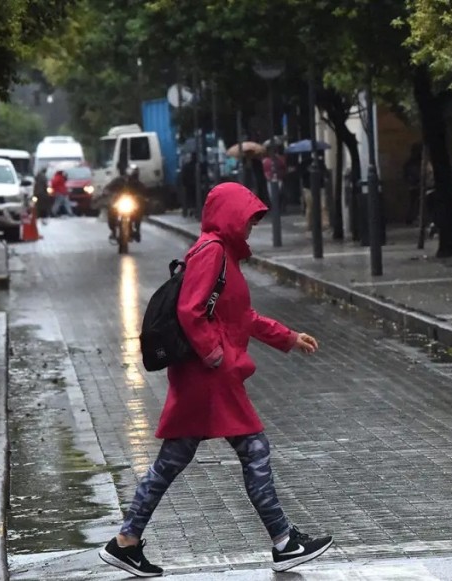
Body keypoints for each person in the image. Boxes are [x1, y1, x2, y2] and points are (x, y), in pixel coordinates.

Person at [99, 183, 333, 577]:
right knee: (253, 451)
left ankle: (126, 541)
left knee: (175, 460)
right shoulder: (213, 252)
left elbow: (242, 316)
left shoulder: (221, 253)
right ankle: (283, 542)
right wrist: (214, 354)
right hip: (209, 377)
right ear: (230, 216)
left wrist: (288, 337)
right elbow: (191, 311)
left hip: (207, 377)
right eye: (248, 219)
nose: (252, 227)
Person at [106, 165, 146, 242]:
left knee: (139, 212)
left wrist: (142, 197)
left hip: (131, 204)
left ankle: (137, 230)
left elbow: (144, 191)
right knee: (111, 212)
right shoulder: (119, 180)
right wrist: (108, 192)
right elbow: (109, 187)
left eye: (135, 174)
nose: (132, 177)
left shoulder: (138, 184)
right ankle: (113, 231)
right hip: (119, 203)